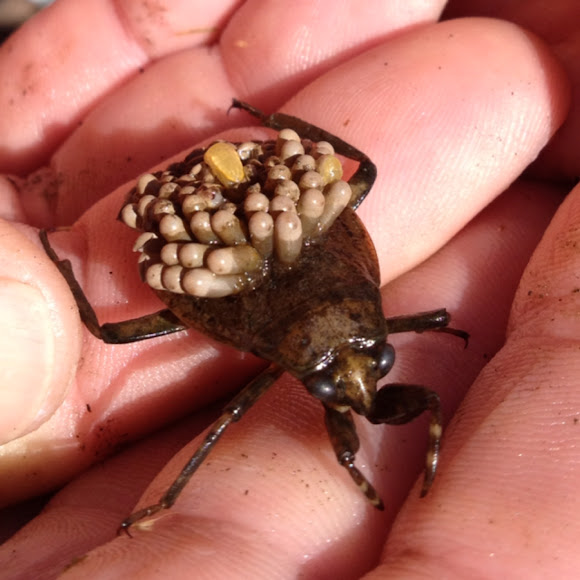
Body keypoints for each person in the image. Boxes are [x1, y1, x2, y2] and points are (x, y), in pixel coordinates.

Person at [0, 1, 577, 577]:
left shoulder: (336, 317)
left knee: (362, 176)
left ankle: (262, 128)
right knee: (114, 333)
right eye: (374, 357)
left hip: (231, 220)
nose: (357, 378)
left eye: (354, 367)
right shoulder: (315, 322)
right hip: (243, 216)